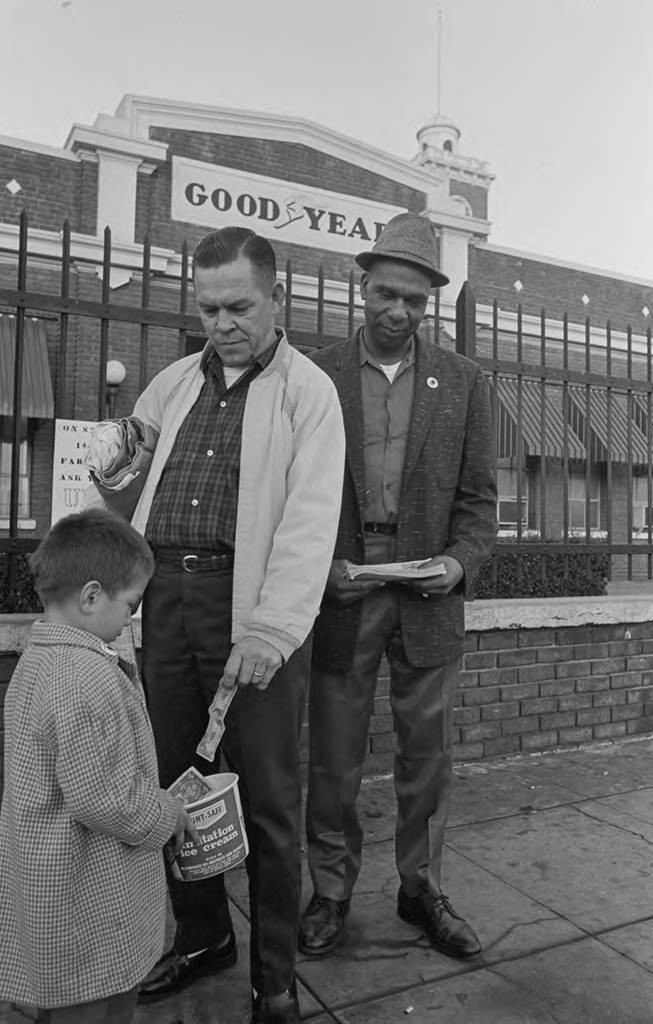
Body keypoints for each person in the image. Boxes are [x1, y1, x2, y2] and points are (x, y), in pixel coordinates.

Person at [122, 226, 345, 1023]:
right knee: (176, 785)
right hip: (167, 605)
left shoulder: (307, 392)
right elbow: (122, 495)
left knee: (271, 802)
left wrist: (271, 629)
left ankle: (275, 979)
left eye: (239, 307)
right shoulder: (171, 385)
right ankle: (204, 935)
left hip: (248, 610)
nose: (222, 324)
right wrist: (113, 484)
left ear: (275, 297)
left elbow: (310, 522)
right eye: (209, 307)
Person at [299, 213, 498, 961]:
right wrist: (317, 569)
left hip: (429, 599)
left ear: (429, 304)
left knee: (428, 756)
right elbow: (291, 494)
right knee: (334, 757)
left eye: (414, 302)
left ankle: (421, 889)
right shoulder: (314, 375)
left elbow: (479, 504)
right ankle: (331, 892)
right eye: (385, 294)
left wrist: (459, 562)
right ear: (362, 285)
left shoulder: (466, 383)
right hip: (342, 595)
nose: (397, 313)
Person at [0, 508, 196, 1024]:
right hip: (85, 893)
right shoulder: (83, 678)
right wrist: (166, 815)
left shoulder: (37, 661)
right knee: (92, 1002)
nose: (131, 617)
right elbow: (101, 798)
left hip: (53, 878)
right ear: (91, 597)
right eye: (130, 604)